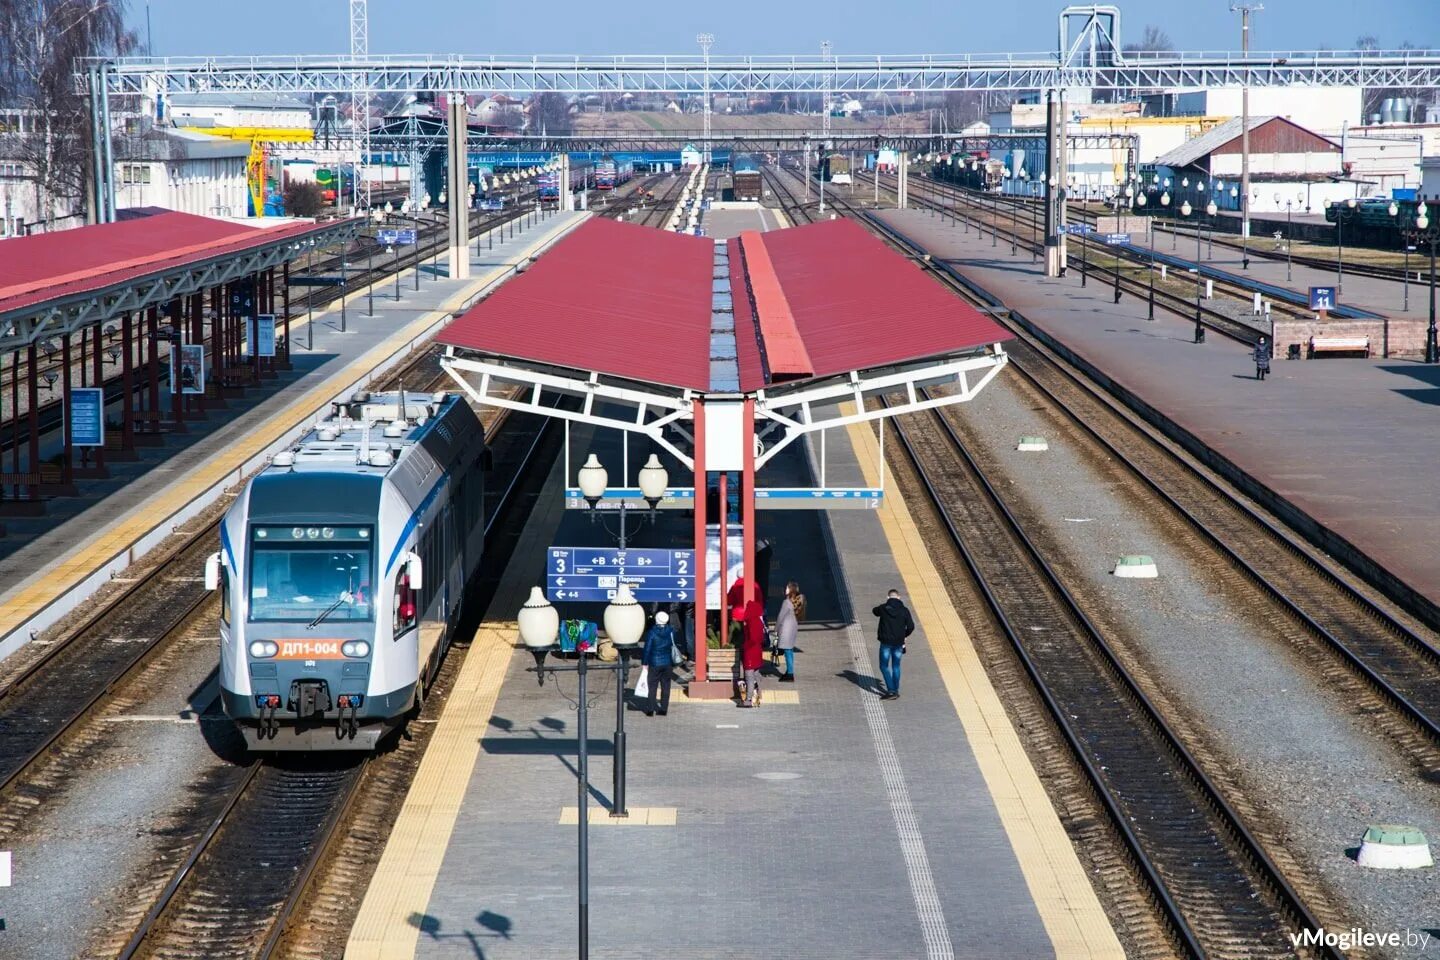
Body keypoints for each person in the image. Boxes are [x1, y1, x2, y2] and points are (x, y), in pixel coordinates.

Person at [872, 589, 914, 700]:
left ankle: (891, 690)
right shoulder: (905, 611)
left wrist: (885, 605)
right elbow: (911, 626)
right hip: (898, 643)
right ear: (899, 597)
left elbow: (874, 611)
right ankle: (895, 690)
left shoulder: (883, 608)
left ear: (888, 597)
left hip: (886, 642)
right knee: (896, 666)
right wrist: (904, 634)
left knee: (884, 666)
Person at [640, 611, 676, 716]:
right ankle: (663, 709)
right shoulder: (671, 631)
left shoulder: (652, 632)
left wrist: (644, 662)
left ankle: (650, 709)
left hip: (654, 663)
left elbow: (647, 648)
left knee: (652, 686)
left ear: (656, 620)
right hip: (668, 662)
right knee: (666, 686)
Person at [736, 599, 766, 707]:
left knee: (749, 676)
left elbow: (752, 638)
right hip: (757, 651)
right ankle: (758, 695)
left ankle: (748, 700)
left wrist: (745, 646)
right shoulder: (758, 621)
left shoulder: (751, 622)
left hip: (750, 652)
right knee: (756, 673)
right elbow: (760, 637)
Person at [775, 581, 805, 683]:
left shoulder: (786, 602)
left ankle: (790, 674)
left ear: (791, 589)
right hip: (793, 628)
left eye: (787, 587)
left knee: (787, 652)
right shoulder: (799, 600)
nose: (785, 589)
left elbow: (780, 617)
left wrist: (775, 629)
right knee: (790, 651)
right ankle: (789, 671)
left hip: (785, 629)